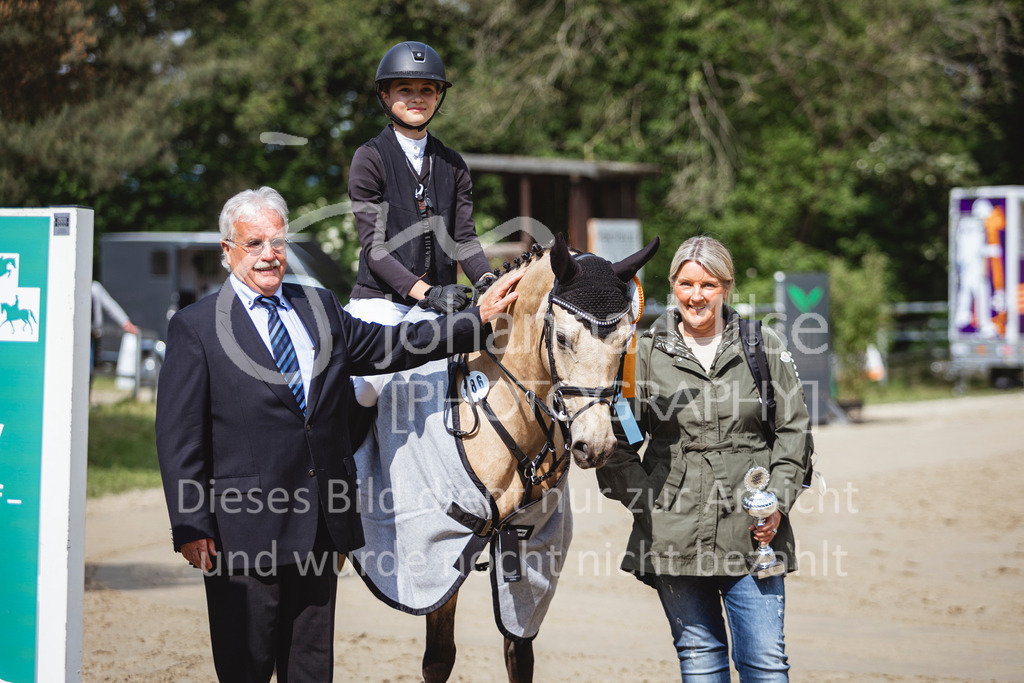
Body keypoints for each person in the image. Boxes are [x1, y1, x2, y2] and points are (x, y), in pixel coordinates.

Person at [155, 186, 521, 682]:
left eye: (277, 242)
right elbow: (180, 436)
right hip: (243, 532)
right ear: (228, 251)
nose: (269, 255)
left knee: (311, 670)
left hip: (320, 528)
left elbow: (396, 345)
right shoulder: (195, 327)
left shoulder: (319, 306)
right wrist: (192, 523)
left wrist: (473, 320)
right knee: (247, 667)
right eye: (254, 243)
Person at [597, 235, 813, 682]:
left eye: (708, 284)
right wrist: (647, 502)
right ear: (672, 284)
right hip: (671, 532)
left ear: (727, 287)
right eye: (686, 283)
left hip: (752, 530)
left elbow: (794, 430)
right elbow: (616, 439)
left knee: (765, 663)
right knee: (699, 657)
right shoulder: (641, 354)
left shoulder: (762, 345)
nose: (696, 296)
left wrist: (778, 501)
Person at [346, 40, 493, 407]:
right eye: (405, 90)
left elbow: (465, 239)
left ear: (438, 96)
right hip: (384, 303)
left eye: (427, 90)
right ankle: (345, 465)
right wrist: (427, 293)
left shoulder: (454, 163)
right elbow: (374, 250)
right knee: (362, 391)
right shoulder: (370, 158)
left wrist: (488, 282)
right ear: (385, 95)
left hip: (444, 305)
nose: (417, 98)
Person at [90, 279, 139, 374]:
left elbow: (110, 305)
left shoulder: (95, 288)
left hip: (92, 335)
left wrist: (126, 323)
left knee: (89, 367)